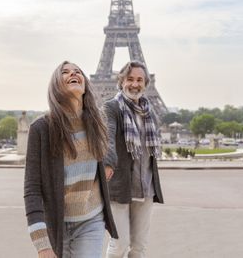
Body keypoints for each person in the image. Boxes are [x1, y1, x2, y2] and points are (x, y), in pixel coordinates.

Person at [24, 61, 118, 258]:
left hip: (91, 219)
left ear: (84, 83)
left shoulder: (97, 122)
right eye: (65, 72)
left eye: (77, 71)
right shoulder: (41, 129)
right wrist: (42, 244)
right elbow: (32, 188)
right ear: (56, 86)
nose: (73, 74)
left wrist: (110, 162)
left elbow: (109, 146)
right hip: (57, 222)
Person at [103, 61, 164, 258]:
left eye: (139, 80)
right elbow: (108, 138)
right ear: (121, 81)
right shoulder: (111, 108)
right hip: (120, 186)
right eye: (130, 79)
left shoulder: (149, 111)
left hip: (145, 187)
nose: (135, 84)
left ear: (146, 83)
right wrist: (108, 162)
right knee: (120, 246)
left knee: (138, 248)